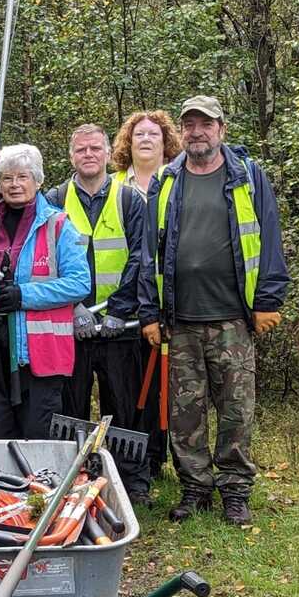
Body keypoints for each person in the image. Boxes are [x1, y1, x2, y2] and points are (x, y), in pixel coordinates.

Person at [139, 95, 290, 525]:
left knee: (236, 410)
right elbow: (149, 251)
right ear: (181, 132)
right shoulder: (167, 181)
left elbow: (270, 239)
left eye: (205, 124)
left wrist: (267, 301)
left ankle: (235, 490)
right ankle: (194, 488)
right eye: (189, 125)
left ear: (221, 129)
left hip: (232, 319)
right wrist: (150, 312)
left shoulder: (247, 177)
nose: (197, 132)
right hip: (180, 320)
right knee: (185, 414)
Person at [0, 144, 89, 439]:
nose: (14, 185)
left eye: (22, 177)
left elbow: (80, 282)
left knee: (36, 438)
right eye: (7, 178)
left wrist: (23, 296)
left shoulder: (58, 226)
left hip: (40, 356)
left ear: (38, 181)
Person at [42, 125, 146, 503]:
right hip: (72, 326)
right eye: (81, 149)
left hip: (121, 326)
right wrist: (73, 308)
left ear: (107, 153)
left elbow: (141, 256)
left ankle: (130, 482)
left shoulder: (131, 199)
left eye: (95, 148)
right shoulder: (54, 199)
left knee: (123, 405)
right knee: (72, 406)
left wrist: (120, 308)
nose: (89, 154)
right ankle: (74, 479)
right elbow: (46, 261)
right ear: (72, 156)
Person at [110, 111, 182, 485]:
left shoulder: (178, 180)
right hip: (120, 309)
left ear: (166, 140)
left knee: (161, 386)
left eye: (154, 133)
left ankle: (156, 456)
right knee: (131, 388)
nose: (146, 139)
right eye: (139, 133)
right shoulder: (114, 186)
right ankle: (129, 459)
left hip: (164, 301)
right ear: (127, 141)